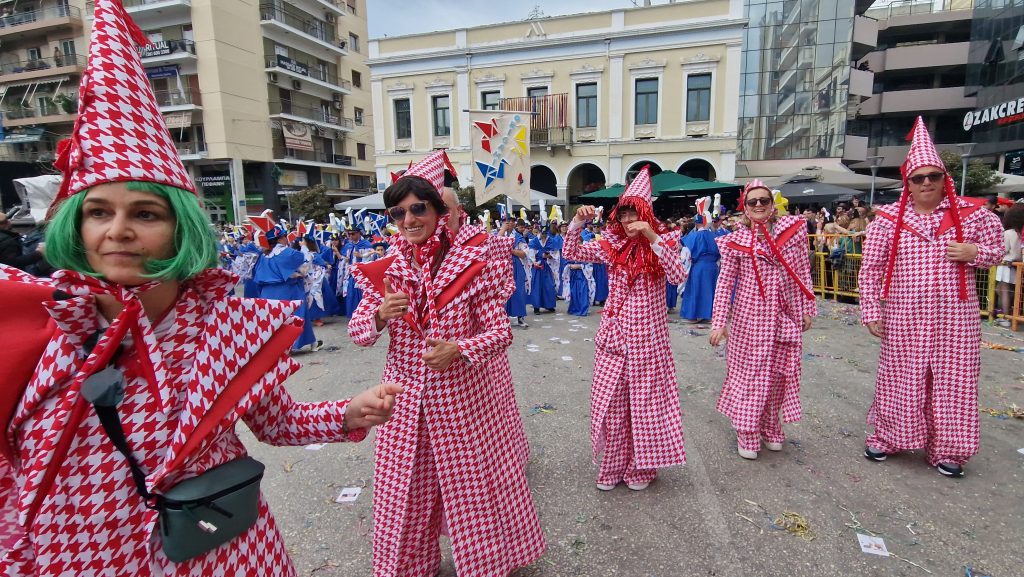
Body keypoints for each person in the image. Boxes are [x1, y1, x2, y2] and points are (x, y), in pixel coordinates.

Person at [0, 2, 401, 573]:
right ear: (75, 224)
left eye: (144, 213)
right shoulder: (27, 325)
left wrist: (351, 412)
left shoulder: (228, 327)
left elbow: (277, 422)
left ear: (180, 228)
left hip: (222, 555)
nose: (118, 231)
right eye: (97, 212)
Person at [348, 153, 545, 577]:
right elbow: (358, 332)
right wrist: (380, 314)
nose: (408, 219)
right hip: (404, 401)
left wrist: (459, 348)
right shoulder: (388, 267)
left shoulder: (475, 263)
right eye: (398, 212)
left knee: (475, 492)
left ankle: (487, 565)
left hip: (463, 401)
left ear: (440, 212)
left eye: (419, 208)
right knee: (405, 492)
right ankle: (411, 567)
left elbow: (500, 334)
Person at [858, 116, 1003, 478]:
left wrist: (975, 253)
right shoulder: (888, 220)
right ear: (907, 182)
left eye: (933, 176)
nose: (926, 183)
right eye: (918, 177)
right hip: (905, 315)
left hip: (956, 318)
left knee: (955, 380)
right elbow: (871, 269)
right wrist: (871, 310)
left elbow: (998, 251)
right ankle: (889, 436)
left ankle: (948, 449)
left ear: (944, 179)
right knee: (899, 376)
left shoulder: (974, 217)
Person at [563, 167, 688, 491]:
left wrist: (651, 236)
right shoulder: (611, 245)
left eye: (635, 212)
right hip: (613, 338)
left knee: (644, 407)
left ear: (646, 213)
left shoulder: (664, 243)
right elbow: (570, 252)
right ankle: (613, 466)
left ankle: (641, 469)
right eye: (625, 212)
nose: (629, 219)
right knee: (612, 406)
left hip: (648, 342)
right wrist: (578, 222)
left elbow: (677, 276)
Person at [709, 180, 817, 459]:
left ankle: (770, 424)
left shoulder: (793, 231)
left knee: (780, 375)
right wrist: (719, 321)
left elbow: (803, 271)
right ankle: (746, 429)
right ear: (745, 208)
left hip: (784, 316)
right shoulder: (735, 240)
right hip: (749, 320)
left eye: (764, 200)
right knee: (748, 377)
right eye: (752, 201)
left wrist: (807, 308)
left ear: (772, 203)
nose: (758, 205)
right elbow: (725, 282)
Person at [253, 225, 322, 352]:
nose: (287, 239)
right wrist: (304, 248)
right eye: (285, 236)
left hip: (267, 292)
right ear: (280, 239)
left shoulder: (263, 255)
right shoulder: (287, 252)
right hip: (288, 289)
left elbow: (256, 275)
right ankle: (298, 344)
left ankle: (276, 346)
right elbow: (305, 265)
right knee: (297, 316)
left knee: (272, 320)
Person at [680, 214, 722, 323]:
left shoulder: (692, 236)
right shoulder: (715, 236)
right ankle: (707, 315)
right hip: (713, 266)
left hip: (698, 266)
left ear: (696, 223)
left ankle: (693, 315)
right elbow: (721, 254)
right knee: (710, 290)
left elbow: (686, 255)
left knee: (695, 289)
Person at [995, 204, 1024, 326]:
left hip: (1005, 264)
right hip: (1015, 264)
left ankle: (1005, 317)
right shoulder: (1019, 233)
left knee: (1003, 290)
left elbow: (1004, 249)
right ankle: (1009, 314)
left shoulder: (1007, 233)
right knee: (1007, 290)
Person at [528, 225, 560, 313]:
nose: (544, 236)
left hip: (547, 266)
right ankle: (536, 306)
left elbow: (555, 253)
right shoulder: (534, 241)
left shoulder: (551, 240)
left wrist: (549, 255)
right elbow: (531, 254)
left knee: (549, 285)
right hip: (537, 266)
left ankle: (549, 305)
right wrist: (535, 261)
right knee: (537, 286)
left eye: (546, 234)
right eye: (543, 233)